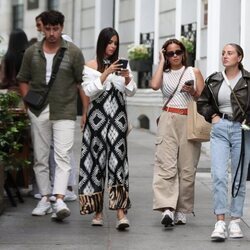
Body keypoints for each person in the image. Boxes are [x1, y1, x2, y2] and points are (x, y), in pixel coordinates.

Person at [17, 10, 85, 221]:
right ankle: (45, 198)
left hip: (65, 109)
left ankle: (60, 198)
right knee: (41, 156)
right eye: (48, 29)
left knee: (63, 155)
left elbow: (81, 81)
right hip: (39, 110)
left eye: (56, 29)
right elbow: (22, 79)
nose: (52, 33)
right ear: (42, 28)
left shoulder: (73, 52)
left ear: (62, 28)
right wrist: (28, 101)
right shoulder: (31, 52)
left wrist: (85, 110)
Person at [79, 27, 137, 230]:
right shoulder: (90, 66)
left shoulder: (122, 64)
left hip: (117, 122)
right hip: (96, 123)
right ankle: (97, 212)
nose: (112, 46)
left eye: (115, 42)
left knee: (117, 164)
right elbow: (88, 91)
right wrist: (105, 74)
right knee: (95, 164)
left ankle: (121, 213)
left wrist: (127, 78)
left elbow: (131, 92)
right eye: (109, 42)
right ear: (101, 43)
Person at [197, 43, 250, 242]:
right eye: (223, 53)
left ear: (239, 57)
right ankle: (220, 221)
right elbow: (202, 102)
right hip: (220, 128)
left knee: (238, 177)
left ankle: (235, 220)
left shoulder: (248, 80)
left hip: (242, 131)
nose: (225, 56)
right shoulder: (214, 79)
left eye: (230, 53)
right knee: (219, 175)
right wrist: (213, 117)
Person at [150, 38, 204, 228]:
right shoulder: (163, 73)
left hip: (188, 119)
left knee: (187, 168)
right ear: (166, 55)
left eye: (178, 52)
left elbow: (203, 98)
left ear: (183, 53)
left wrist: (192, 91)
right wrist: (160, 62)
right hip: (168, 118)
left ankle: (182, 209)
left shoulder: (193, 71)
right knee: (166, 164)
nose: (175, 56)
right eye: (170, 53)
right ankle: (167, 208)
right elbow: (154, 85)